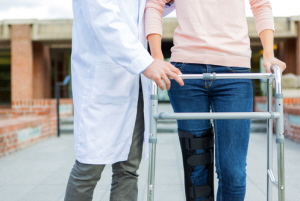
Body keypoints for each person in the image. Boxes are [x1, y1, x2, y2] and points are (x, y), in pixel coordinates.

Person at [145, 0, 286, 201]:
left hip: (235, 73)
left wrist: (269, 55)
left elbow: (261, 5)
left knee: (233, 172)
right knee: (197, 167)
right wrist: (157, 56)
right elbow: (155, 4)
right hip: (186, 72)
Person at [64, 1, 184, 201]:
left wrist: (168, 2)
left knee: (128, 169)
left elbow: (143, 16)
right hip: (101, 82)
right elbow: (104, 19)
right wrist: (145, 62)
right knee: (89, 167)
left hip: (134, 82)